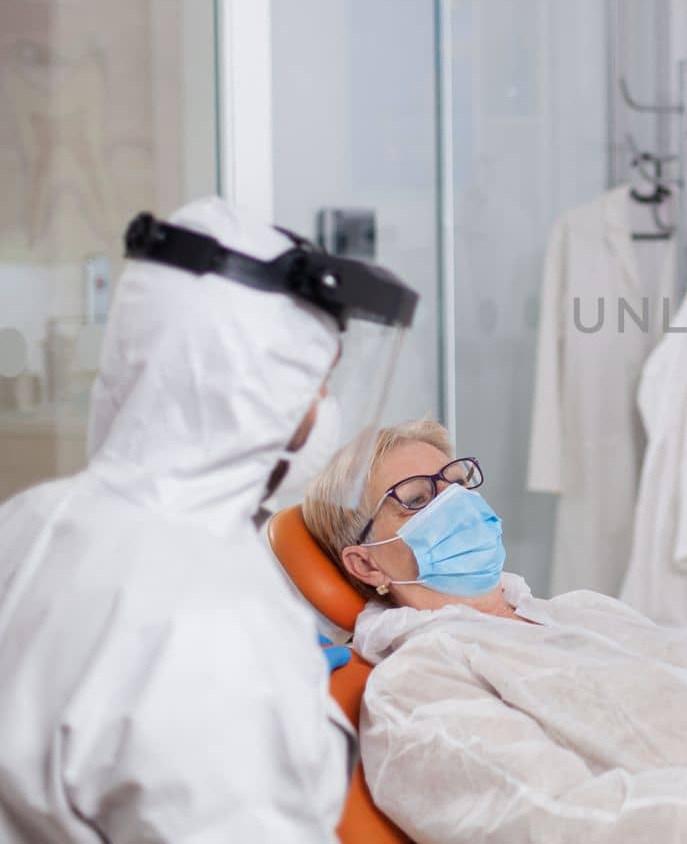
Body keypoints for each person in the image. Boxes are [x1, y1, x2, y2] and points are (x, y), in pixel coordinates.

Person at [0, 197, 417, 842]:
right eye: (316, 384)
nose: (323, 412)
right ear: (252, 389)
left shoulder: (31, 521)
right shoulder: (213, 625)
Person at [301, 418, 687, 844]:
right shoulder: (418, 686)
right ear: (366, 563)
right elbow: (564, 823)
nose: (453, 504)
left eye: (456, 481)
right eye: (416, 498)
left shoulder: (584, 613)